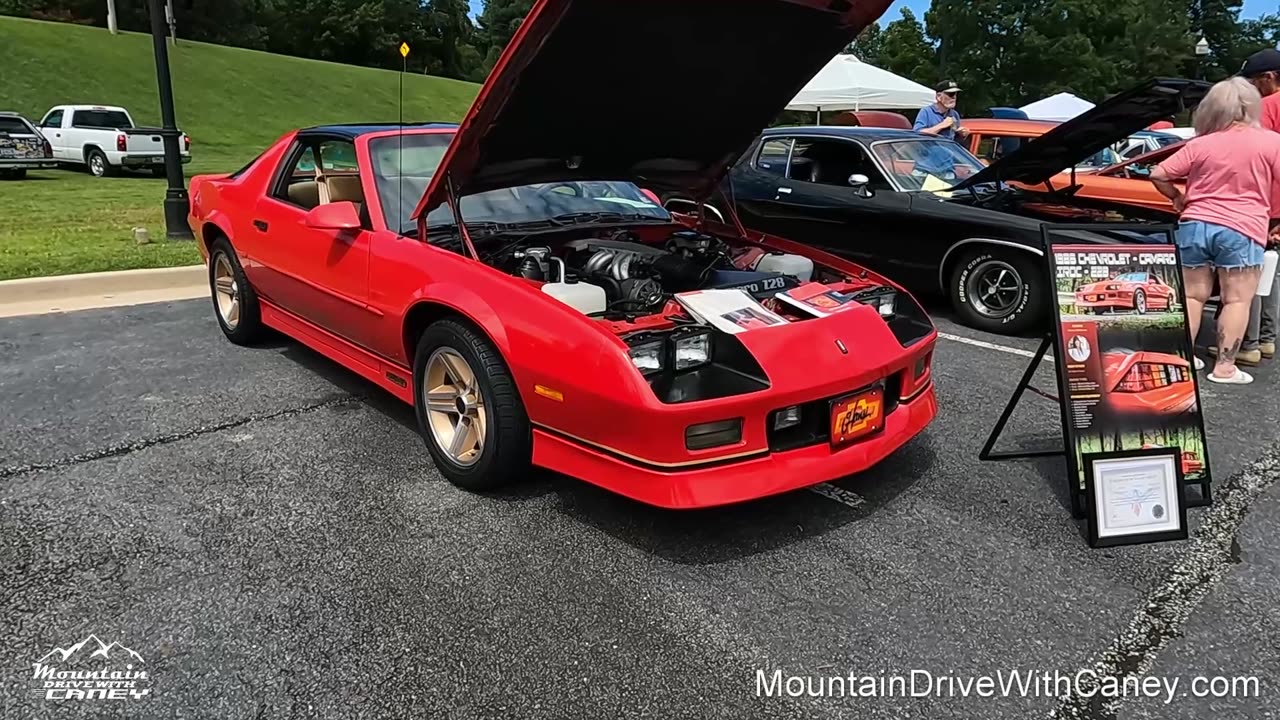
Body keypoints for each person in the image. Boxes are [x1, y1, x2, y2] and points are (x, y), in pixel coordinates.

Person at [1149, 77, 1280, 385]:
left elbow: (1158, 173)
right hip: (1243, 229)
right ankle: (1224, 367)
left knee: (1192, 296)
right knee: (1237, 300)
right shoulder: (1271, 142)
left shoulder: (1202, 143)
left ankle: (1182, 357)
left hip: (1194, 225)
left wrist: (1178, 198)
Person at [1241, 48, 1280, 359]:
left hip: (1264, 201)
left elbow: (1256, 154)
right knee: (1272, 269)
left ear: (1269, 78)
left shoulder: (1268, 106)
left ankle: (1247, 344)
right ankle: (1267, 338)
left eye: (1253, 82)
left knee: (1248, 270)